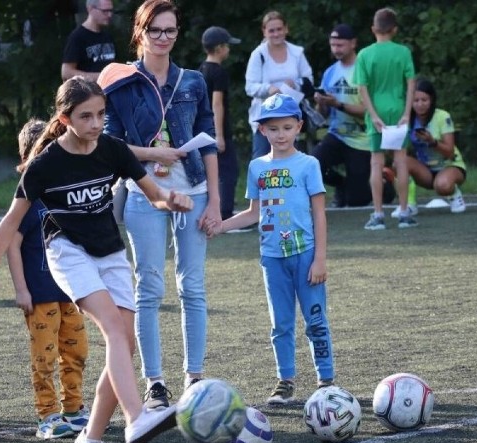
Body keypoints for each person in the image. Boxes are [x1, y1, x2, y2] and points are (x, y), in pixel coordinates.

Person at [0, 77, 192, 443]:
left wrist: (169, 199)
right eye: (86, 116)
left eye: (101, 114)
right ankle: (136, 416)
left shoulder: (113, 150)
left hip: (109, 250)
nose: (96, 123)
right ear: (65, 118)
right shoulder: (45, 164)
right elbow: (8, 224)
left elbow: (153, 193)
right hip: (67, 251)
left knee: (127, 341)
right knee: (114, 333)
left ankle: (91, 439)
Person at [98, 0, 221, 408]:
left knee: (194, 287)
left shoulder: (193, 81)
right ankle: (155, 383)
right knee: (148, 287)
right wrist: (154, 156)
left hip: (195, 193)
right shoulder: (122, 80)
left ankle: (195, 378)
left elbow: (209, 143)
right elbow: (110, 144)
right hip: (142, 193)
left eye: (170, 31)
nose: (163, 38)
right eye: (155, 31)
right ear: (140, 33)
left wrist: (215, 202)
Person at [212, 93, 334, 404]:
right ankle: (285, 380)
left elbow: (319, 213)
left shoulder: (309, 164)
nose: (281, 134)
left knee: (315, 320)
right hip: (272, 259)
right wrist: (221, 225)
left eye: (287, 127)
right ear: (262, 130)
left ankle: (326, 379)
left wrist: (319, 259)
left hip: (305, 255)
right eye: (273, 128)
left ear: (299, 127)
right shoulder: (257, 167)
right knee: (280, 324)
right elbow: (254, 212)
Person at [7, 118, 91, 440]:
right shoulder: (26, 199)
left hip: (71, 293)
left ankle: (74, 409)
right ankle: (47, 415)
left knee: (77, 350)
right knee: (43, 357)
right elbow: (12, 245)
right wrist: (21, 290)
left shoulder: (66, 192)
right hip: (40, 296)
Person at [312, 23, 394, 209]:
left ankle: (385, 183)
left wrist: (338, 104)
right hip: (337, 135)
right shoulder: (330, 72)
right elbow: (321, 115)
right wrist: (321, 102)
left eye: (340, 45)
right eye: (333, 45)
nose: (336, 49)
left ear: (353, 43)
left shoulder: (365, 70)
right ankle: (342, 185)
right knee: (310, 165)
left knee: (357, 201)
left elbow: (370, 111)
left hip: (363, 139)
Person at [354, 7, 416, 230]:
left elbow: (362, 88)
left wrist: (373, 115)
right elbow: (411, 83)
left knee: (376, 163)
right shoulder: (403, 52)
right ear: (395, 29)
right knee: (401, 161)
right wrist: (407, 112)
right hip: (398, 108)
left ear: (374, 29)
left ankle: (378, 213)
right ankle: (404, 212)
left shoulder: (364, 54)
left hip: (376, 110)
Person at [245, 10, 313, 159]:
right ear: (264, 32)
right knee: (261, 162)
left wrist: (295, 84)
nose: (276, 34)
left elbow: (309, 79)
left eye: (279, 29)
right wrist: (270, 89)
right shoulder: (259, 54)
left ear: (286, 29)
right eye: (271, 30)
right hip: (265, 116)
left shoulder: (297, 52)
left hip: (291, 115)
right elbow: (250, 87)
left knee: (293, 163)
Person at [404, 78, 466, 215]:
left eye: (424, 100)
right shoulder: (407, 119)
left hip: (449, 164)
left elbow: (450, 152)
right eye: (416, 101)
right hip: (426, 169)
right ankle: (409, 204)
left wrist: (432, 142)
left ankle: (454, 192)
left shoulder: (442, 116)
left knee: (442, 186)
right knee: (400, 163)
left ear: (431, 100)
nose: (420, 105)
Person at [199, 26, 241, 221]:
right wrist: (220, 135)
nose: (229, 50)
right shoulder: (219, 73)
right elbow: (217, 103)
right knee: (229, 171)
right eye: (227, 46)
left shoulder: (201, 70)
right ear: (219, 48)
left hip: (204, 130)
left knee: (212, 172)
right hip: (217, 131)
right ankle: (225, 214)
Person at [61, 0, 116, 82]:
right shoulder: (77, 37)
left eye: (110, 10)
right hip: (90, 92)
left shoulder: (107, 36)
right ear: (90, 9)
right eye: (105, 11)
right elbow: (66, 73)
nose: (109, 15)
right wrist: (101, 76)